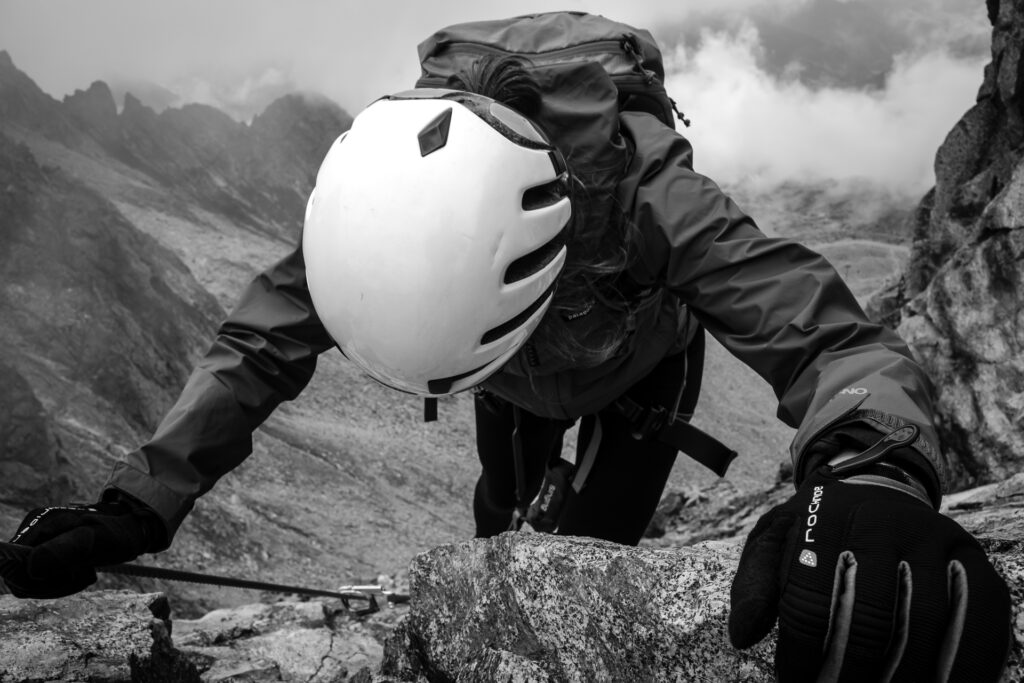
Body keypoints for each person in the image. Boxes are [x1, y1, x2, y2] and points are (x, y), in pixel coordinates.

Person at [1, 50, 1011, 681]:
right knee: (499, 518)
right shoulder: (383, 202)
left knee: (597, 548)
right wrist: (133, 507)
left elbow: (823, 334)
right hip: (518, 390)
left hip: (638, 378)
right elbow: (256, 346)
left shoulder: (647, 192)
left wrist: (874, 475)